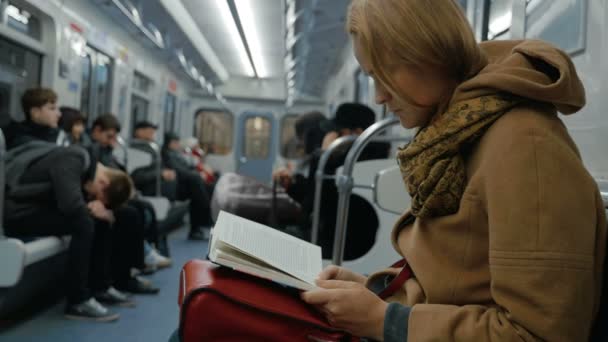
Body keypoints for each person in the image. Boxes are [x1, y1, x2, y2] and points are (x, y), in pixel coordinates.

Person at [301, 1, 606, 341]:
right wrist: (375, 289)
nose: (380, 95)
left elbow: (536, 333)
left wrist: (386, 321)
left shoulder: (526, 147)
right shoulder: (457, 133)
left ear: (430, 52)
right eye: (373, 77)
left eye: (386, 72)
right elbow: (456, 280)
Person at [3, 142, 133, 321]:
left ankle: (100, 286)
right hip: (15, 212)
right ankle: (78, 300)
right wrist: (92, 207)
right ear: (103, 183)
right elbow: (70, 204)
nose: (93, 197)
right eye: (97, 196)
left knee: (95, 220)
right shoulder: (74, 158)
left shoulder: (82, 163)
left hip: (31, 209)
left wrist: (93, 208)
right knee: (84, 222)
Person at [89, 114, 168, 291]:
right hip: (96, 196)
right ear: (96, 131)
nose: (112, 142)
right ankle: (126, 275)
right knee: (129, 213)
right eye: (109, 136)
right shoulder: (90, 150)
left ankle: (143, 258)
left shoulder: (106, 150)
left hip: (104, 193)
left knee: (141, 207)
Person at [131, 122, 213, 240]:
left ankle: (202, 222)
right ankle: (205, 219)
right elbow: (137, 176)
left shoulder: (152, 147)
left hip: (167, 184)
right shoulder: (137, 150)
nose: (153, 133)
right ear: (139, 131)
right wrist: (161, 173)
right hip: (154, 187)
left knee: (199, 185)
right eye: (150, 130)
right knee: (195, 182)